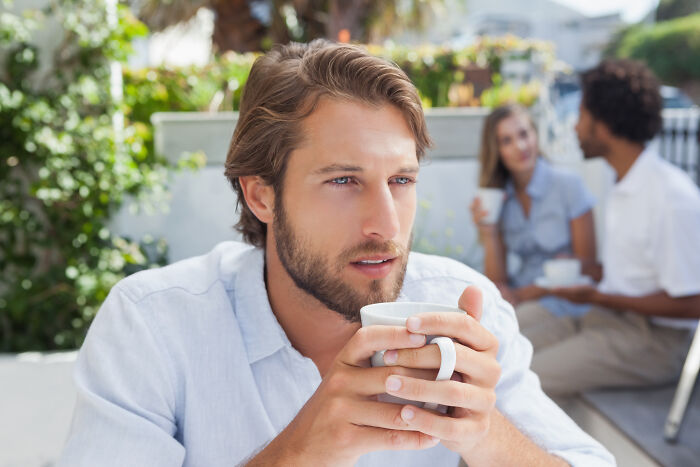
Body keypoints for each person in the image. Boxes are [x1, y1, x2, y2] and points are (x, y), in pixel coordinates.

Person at [58, 40, 613, 466]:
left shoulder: (460, 308)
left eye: (400, 179)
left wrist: (488, 435)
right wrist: (304, 448)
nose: (386, 224)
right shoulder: (153, 326)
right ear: (261, 194)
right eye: (345, 180)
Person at [532, 59, 700, 396]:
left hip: (656, 342)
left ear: (603, 125)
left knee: (525, 382)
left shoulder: (671, 196)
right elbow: (640, 274)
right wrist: (591, 272)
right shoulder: (624, 182)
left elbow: (693, 302)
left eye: (580, 116)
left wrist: (599, 296)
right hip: (607, 317)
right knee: (508, 341)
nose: (575, 128)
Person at [470, 104, 598, 349]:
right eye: (506, 140)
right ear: (497, 150)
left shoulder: (569, 186)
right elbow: (498, 281)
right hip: (522, 301)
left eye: (524, 134)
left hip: (563, 301)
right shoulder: (500, 197)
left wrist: (522, 295)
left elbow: (589, 269)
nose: (520, 146)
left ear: (536, 135)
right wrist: (490, 233)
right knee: (482, 331)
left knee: (496, 342)